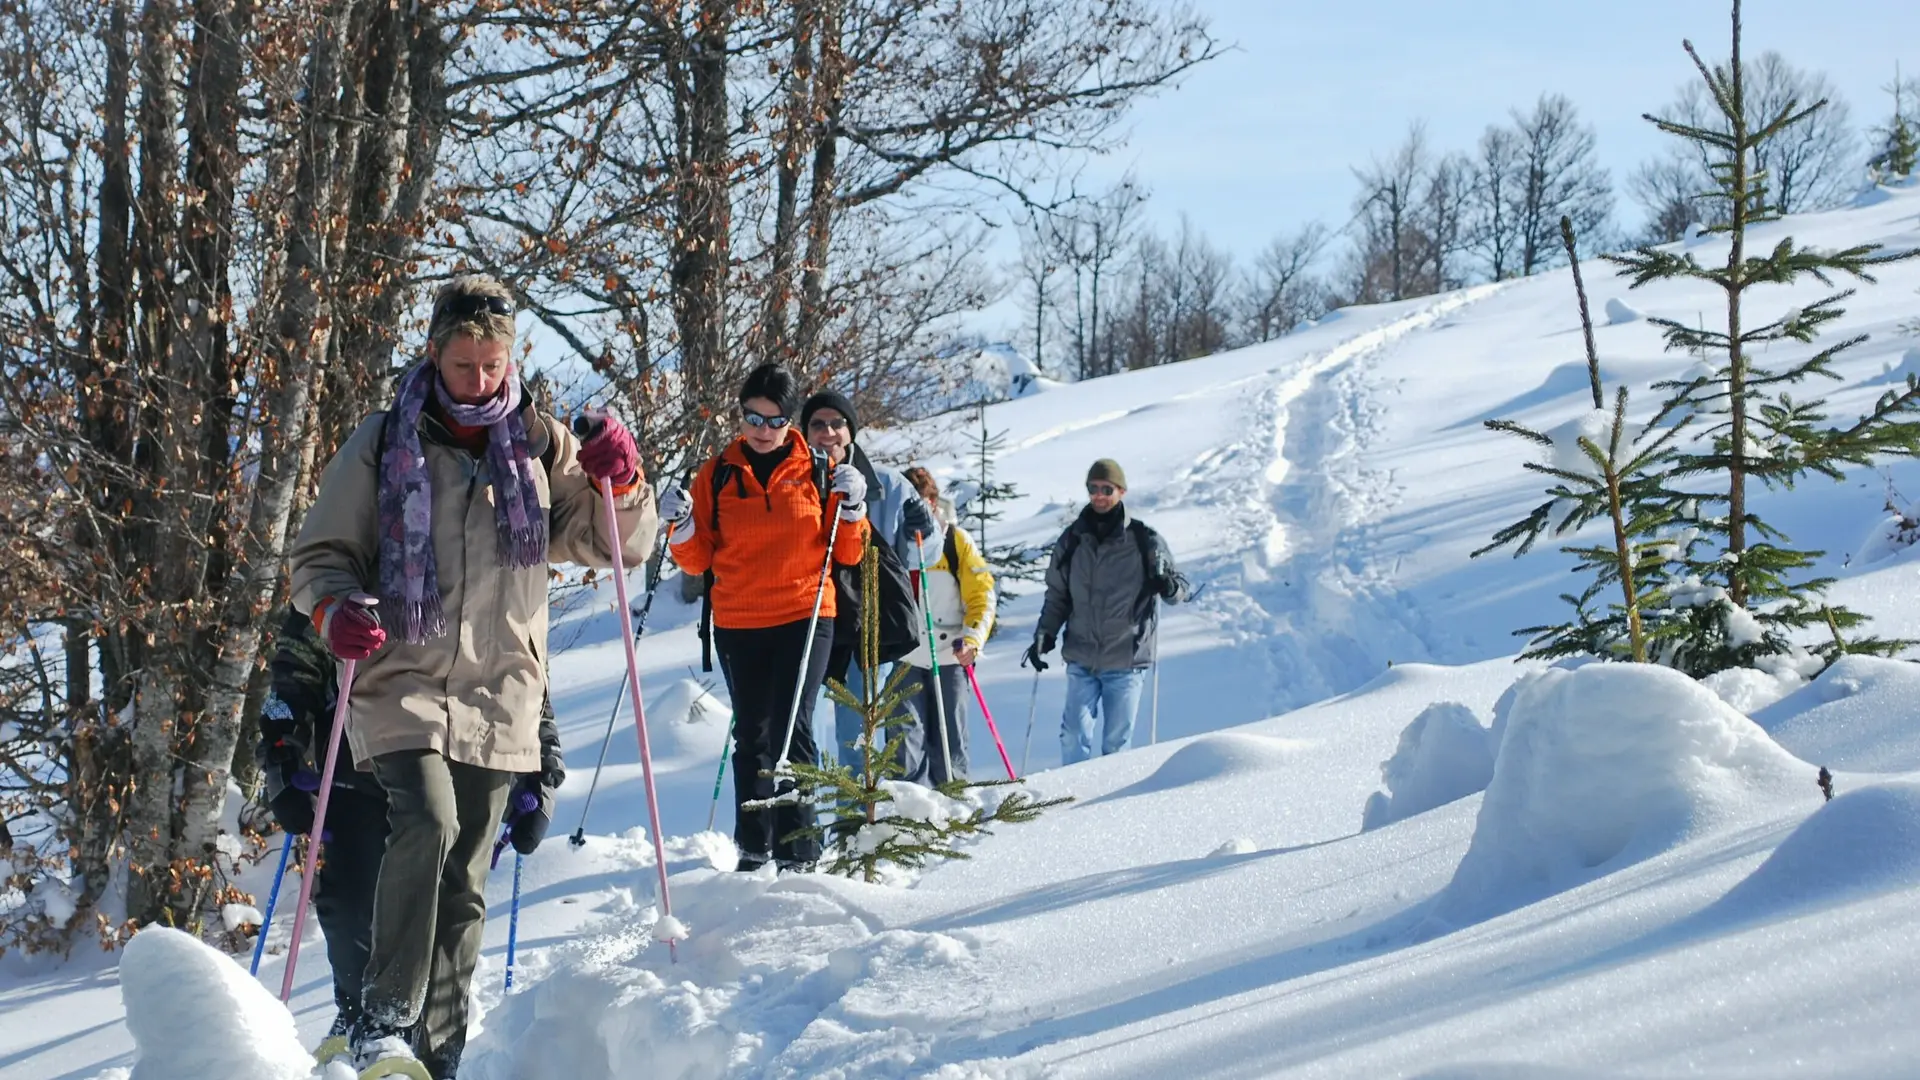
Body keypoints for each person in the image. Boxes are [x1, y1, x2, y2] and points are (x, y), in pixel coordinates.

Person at [290, 274, 655, 1078]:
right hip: (402, 681)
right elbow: (319, 556)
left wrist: (621, 484)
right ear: (434, 352)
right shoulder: (385, 440)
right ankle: (384, 1022)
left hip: (502, 693)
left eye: (493, 365)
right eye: (464, 365)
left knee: (465, 885)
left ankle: (435, 1057)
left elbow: (613, 546)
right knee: (428, 822)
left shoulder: (540, 443)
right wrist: (333, 610)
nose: (480, 382)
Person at [254, 612, 563, 1068]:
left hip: (467, 743)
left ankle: (432, 1057)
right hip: (361, 744)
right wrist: (281, 743)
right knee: (353, 904)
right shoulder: (374, 542)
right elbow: (306, 635)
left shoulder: (495, 550)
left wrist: (543, 763)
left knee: (451, 902)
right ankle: (364, 1028)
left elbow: (522, 659)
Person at [664, 364, 868, 872]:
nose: (761, 430)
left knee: (790, 731)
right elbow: (696, 559)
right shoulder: (719, 473)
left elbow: (847, 555)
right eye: (752, 418)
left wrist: (854, 507)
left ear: (789, 420)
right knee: (751, 735)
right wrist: (682, 521)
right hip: (738, 619)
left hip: (804, 612)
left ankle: (800, 847)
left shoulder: (817, 469)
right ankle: (754, 847)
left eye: (774, 421)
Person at [798, 390, 940, 770]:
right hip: (804, 620)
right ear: (805, 433)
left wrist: (921, 531)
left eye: (836, 423)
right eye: (817, 424)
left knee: (857, 734)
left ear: (851, 430)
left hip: (865, 627)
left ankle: (856, 823)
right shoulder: (792, 485)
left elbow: (924, 557)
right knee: (799, 730)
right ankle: (801, 821)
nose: (827, 432)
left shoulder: (889, 486)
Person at [1025, 459, 1190, 766]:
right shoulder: (1072, 540)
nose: (1099, 495)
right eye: (1093, 488)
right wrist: (1045, 634)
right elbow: (1058, 594)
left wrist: (1168, 586)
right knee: (1073, 734)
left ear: (1121, 491)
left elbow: (1181, 589)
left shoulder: (1145, 540)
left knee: (1115, 745)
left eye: (1106, 488)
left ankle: (1104, 807)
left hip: (1126, 659)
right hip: (1082, 655)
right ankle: (1071, 799)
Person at [898, 467, 996, 785]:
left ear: (933, 501)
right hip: (905, 656)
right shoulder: (891, 539)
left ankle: (955, 804)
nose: (914, 511)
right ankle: (907, 812)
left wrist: (972, 639)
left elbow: (981, 594)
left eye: (921, 502)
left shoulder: (955, 541)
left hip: (950, 653)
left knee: (950, 738)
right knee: (904, 743)